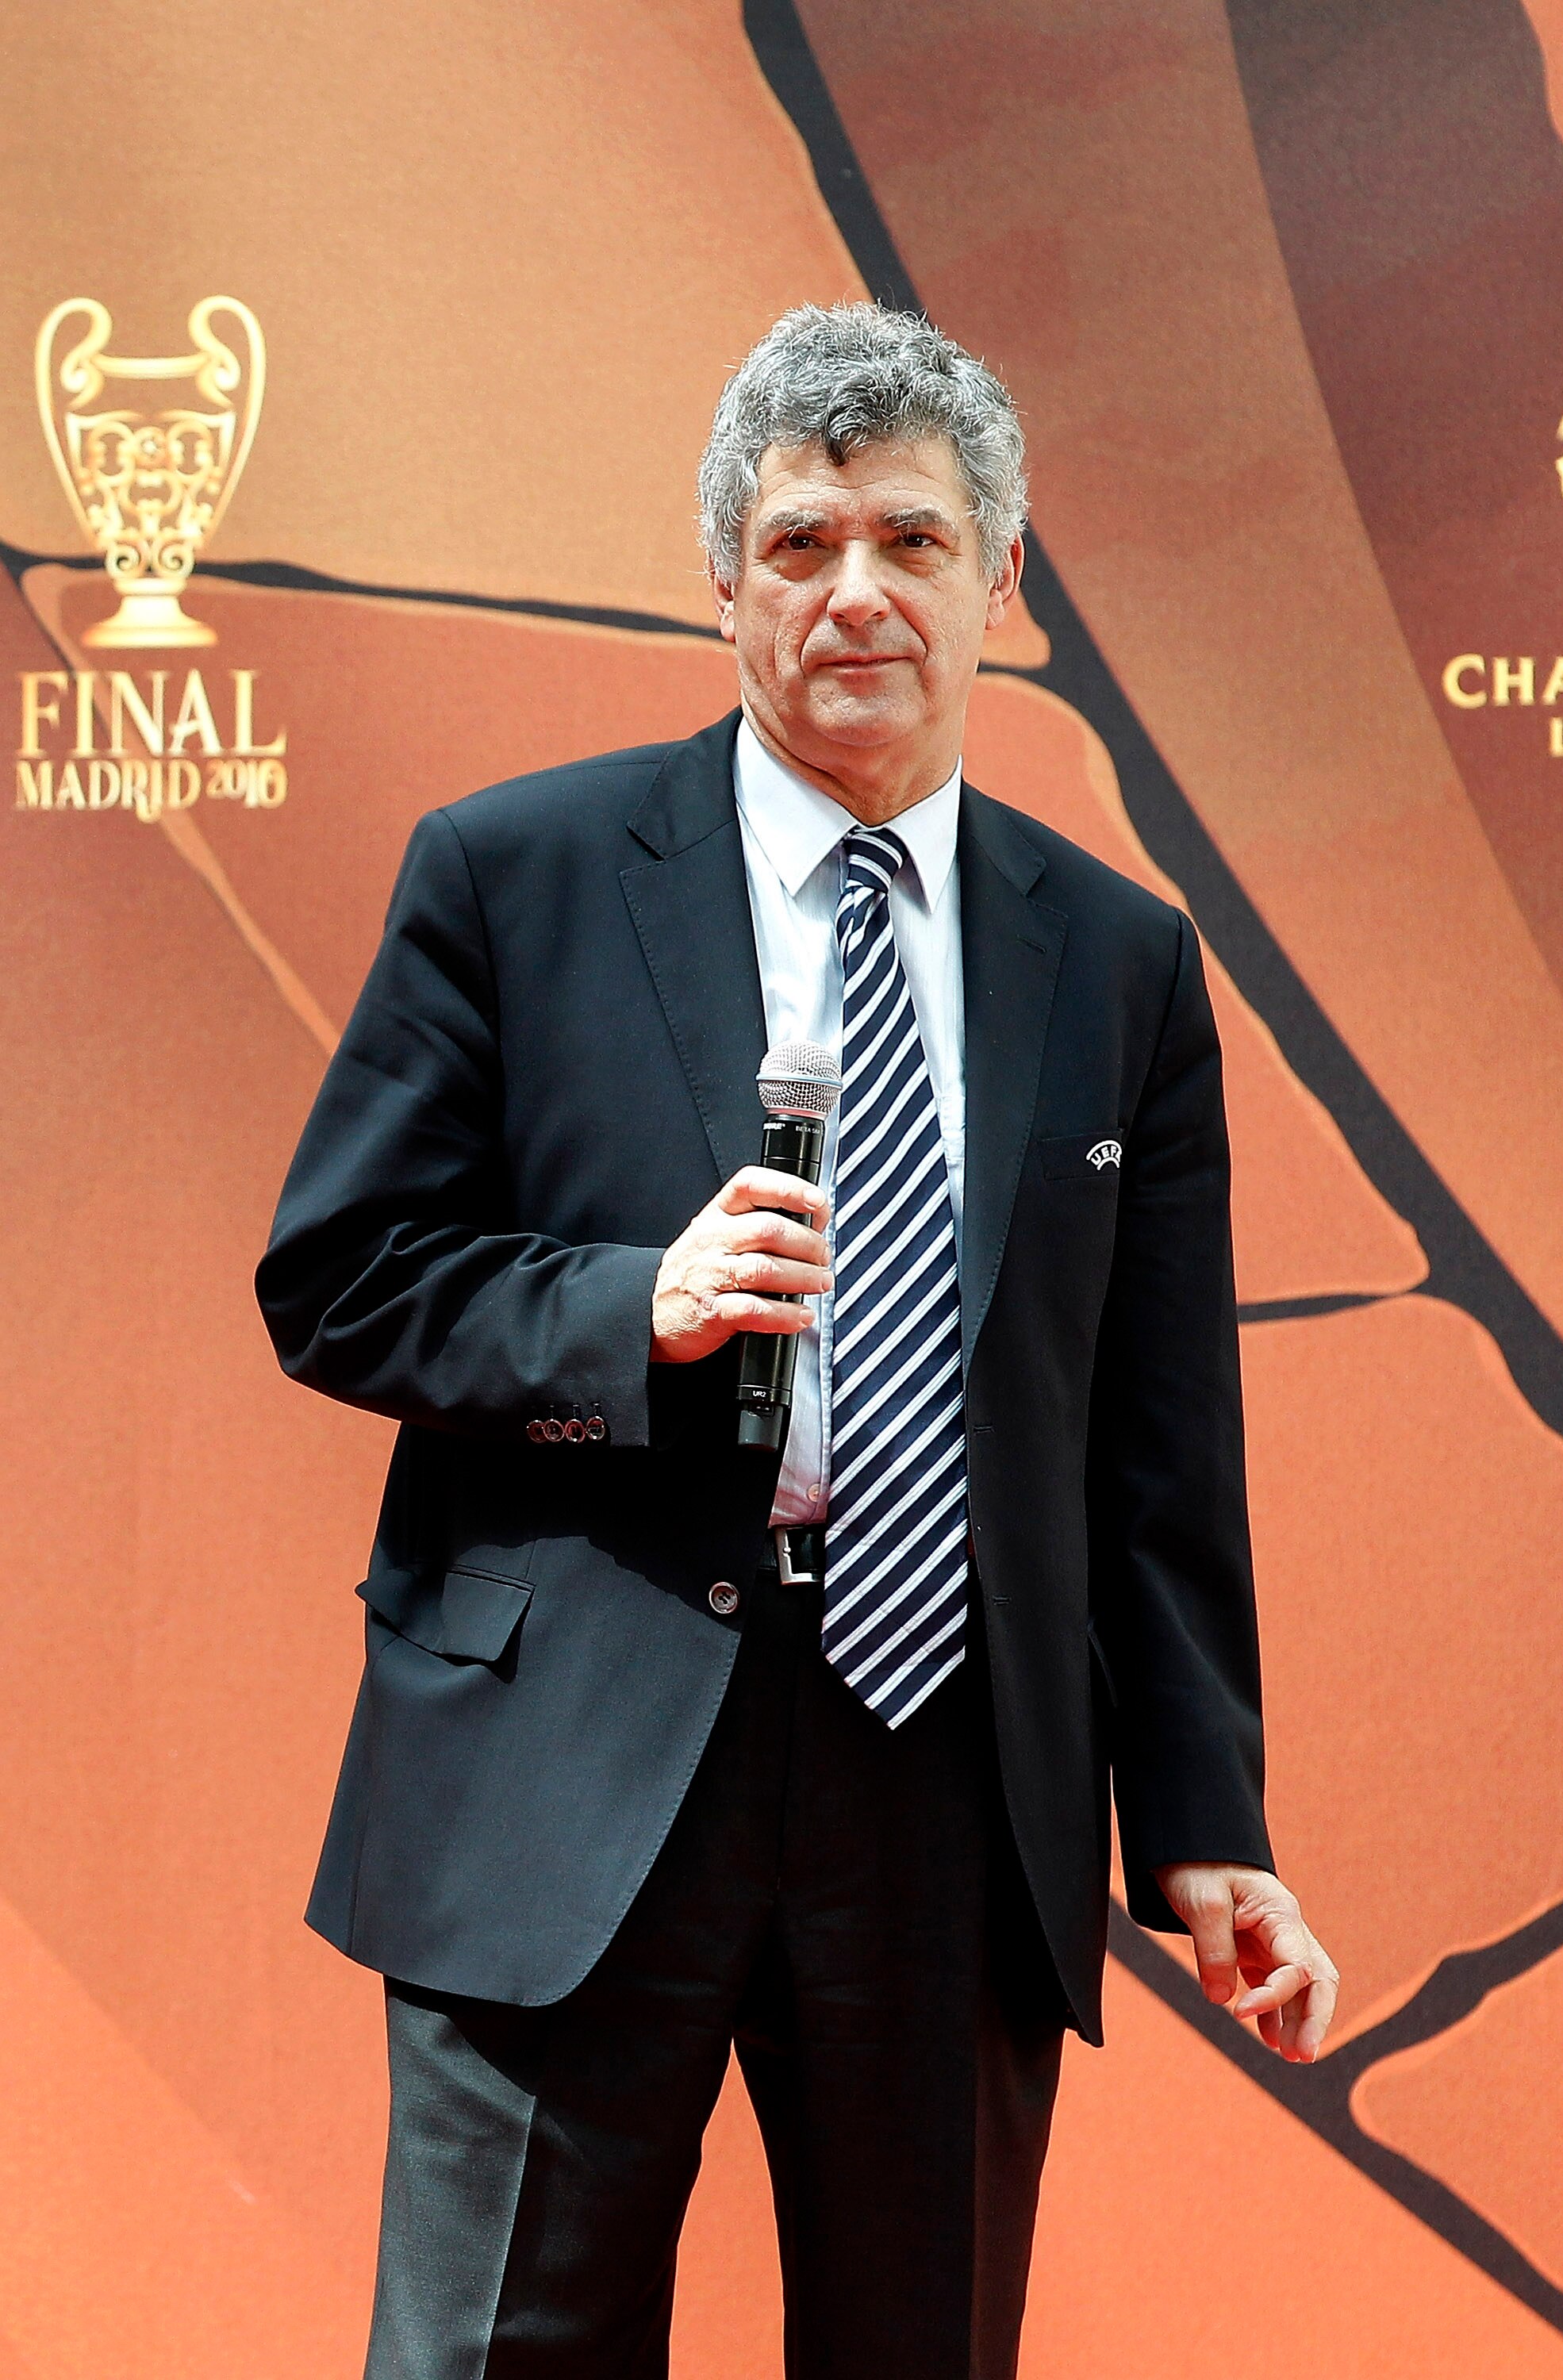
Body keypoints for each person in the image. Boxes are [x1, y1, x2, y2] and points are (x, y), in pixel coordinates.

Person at [257, 300, 1337, 2380]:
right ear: (725, 582)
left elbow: (1153, 1439)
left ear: (1002, 582)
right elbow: (344, 1273)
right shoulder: (513, 874)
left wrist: (1203, 1825)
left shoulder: (1113, 958)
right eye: (803, 543)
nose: (857, 595)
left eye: (914, 545)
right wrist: (623, 1308)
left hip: (947, 1781)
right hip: (571, 1759)